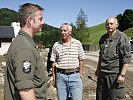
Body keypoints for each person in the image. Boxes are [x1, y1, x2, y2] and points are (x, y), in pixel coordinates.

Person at [4, 3, 46, 100]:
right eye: (40, 19)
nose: (43, 22)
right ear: (30, 21)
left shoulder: (22, 41)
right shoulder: (25, 48)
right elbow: (25, 90)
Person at [95, 17, 132, 100]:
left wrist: (122, 75)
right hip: (102, 74)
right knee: (100, 97)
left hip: (114, 75)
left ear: (117, 25)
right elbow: (101, 55)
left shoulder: (122, 37)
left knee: (114, 97)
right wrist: (98, 69)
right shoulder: (103, 38)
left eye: (111, 24)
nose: (109, 25)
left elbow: (126, 57)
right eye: (107, 24)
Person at [50, 23, 85, 100]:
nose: (62, 32)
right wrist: (54, 78)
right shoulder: (56, 45)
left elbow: (81, 59)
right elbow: (53, 63)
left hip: (75, 76)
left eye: (65, 30)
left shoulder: (77, 43)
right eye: (61, 31)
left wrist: (81, 74)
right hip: (61, 77)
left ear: (70, 32)